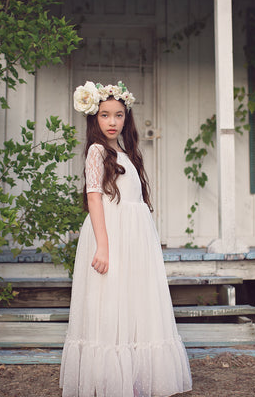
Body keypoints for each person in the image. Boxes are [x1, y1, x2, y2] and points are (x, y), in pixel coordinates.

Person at [60, 81, 192, 397]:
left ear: (126, 118)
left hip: (134, 236)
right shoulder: (97, 151)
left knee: (134, 301)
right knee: (110, 300)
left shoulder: (125, 151)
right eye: (105, 115)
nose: (112, 122)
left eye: (118, 115)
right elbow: (94, 198)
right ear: (94, 118)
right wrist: (103, 246)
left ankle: (132, 373)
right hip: (111, 233)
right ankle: (109, 378)